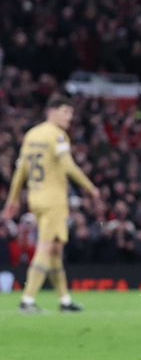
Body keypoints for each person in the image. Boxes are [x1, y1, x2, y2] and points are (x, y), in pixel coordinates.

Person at [3, 94, 98, 313]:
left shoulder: (31, 135)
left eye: (71, 113)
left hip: (35, 198)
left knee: (55, 249)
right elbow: (68, 165)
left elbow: (21, 170)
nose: (69, 117)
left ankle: (64, 300)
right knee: (46, 247)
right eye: (66, 112)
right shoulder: (57, 136)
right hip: (54, 199)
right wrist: (91, 187)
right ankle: (27, 300)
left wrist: (13, 199)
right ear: (52, 111)